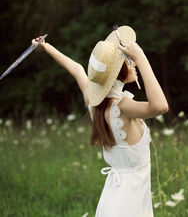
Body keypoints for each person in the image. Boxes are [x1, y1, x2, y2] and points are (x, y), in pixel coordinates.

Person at [32, 25, 168, 217]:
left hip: (115, 197)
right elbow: (160, 106)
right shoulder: (122, 107)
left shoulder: (95, 103)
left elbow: (76, 69)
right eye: (129, 62)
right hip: (129, 204)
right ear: (119, 72)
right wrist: (141, 57)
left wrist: (46, 47)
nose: (134, 64)